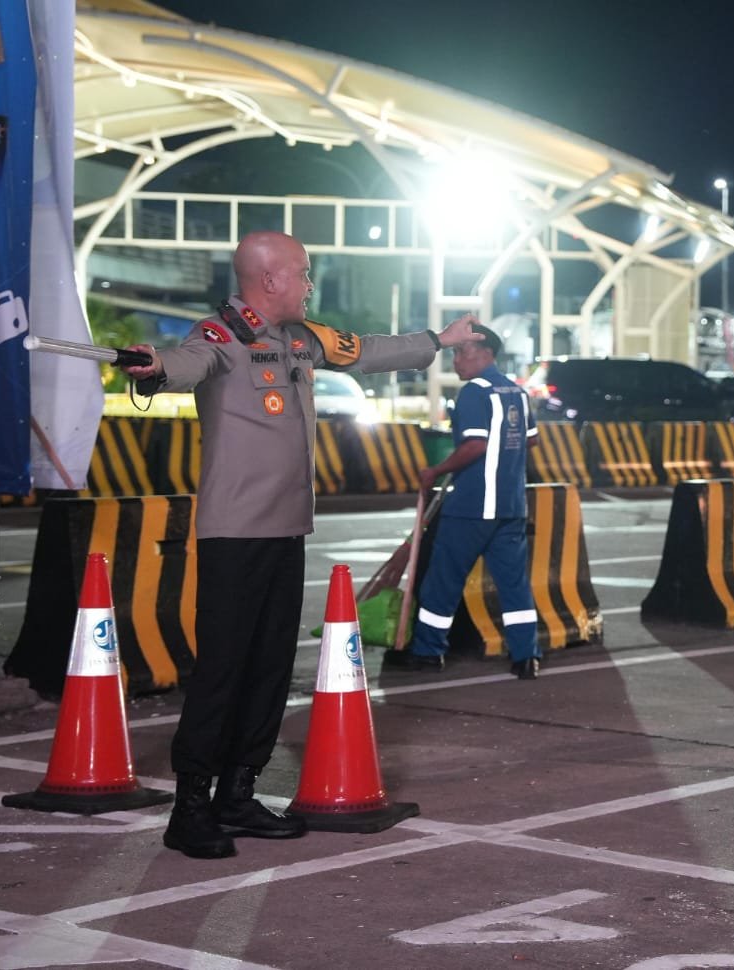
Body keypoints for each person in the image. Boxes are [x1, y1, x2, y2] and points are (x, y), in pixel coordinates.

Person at [120, 230, 481, 859]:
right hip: (235, 533)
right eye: (304, 273)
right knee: (223, 671)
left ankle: (239, 794)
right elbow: (181, 365)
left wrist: (438, 342)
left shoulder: (301, 338)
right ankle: (190, 807)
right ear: (271, 278)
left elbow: (365, 350)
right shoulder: (221, 335)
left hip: (288, 528)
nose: (310, 283)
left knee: (268, 669)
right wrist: (151, 368)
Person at [388, 325, 541, 678]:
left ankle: (428, 652)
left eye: (462, 353)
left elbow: (476, 444)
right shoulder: (516, 392)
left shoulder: (474, 392)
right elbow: (530, 440)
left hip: (471, 508)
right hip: (511, 508)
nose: (456, 361)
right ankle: (526, 657)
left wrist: (436, 471)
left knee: (442, 582)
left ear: (486, 352)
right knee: (514, 586)